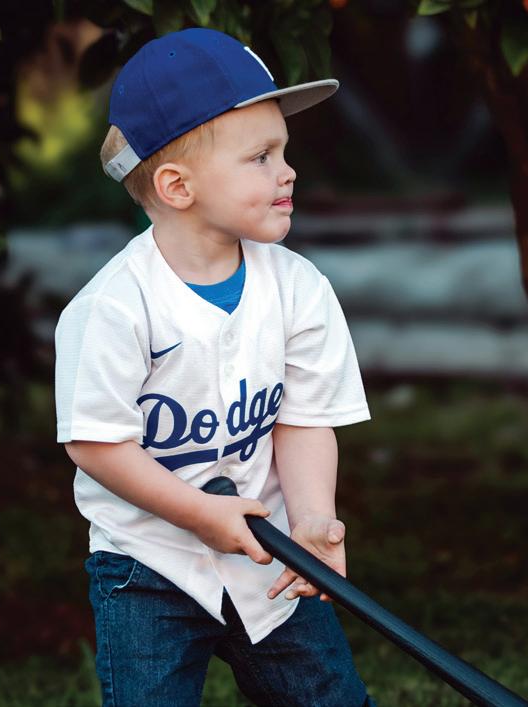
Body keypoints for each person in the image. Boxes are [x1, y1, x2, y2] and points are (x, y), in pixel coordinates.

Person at [54, 27, 375, 707]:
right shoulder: (114, 307)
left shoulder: (299, 288)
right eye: (260, 157)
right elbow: (96, 443)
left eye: (283, 151)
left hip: (269, 556)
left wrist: (312, 521)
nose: (287, 171)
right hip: (148, 565)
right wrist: (199, 513)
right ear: (177, 186)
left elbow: (303, 418)